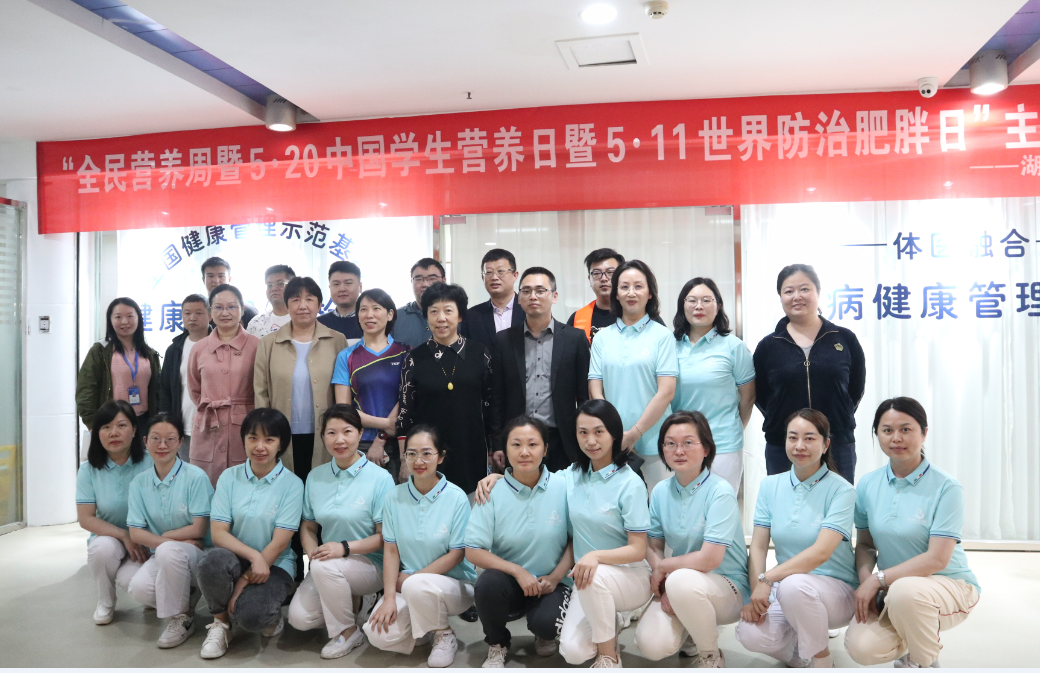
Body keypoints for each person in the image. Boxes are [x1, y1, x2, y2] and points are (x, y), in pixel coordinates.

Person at [844, 398, 980, 669]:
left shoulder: (946, 487)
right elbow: (866, 544)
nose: (896, 438)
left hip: (949, 585)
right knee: (861, 648)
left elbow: (937, 559)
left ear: (924, 433)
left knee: (905, 592)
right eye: (887, 430)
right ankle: (915, 634)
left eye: (906, 429)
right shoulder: (868, 484)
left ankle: (924, 662)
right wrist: (866, 579)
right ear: (877, 434)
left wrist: (879, 579)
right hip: (896, 591)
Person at [735, 409, 858, 669]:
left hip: (836, 592)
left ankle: (822, 659)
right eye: (793, 437)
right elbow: (758, 546)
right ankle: (802, 652)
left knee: (794, 586)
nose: (800, 446)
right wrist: (757, 592)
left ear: (826, 445)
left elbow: (821, 552)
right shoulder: (770, 486)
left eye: (809, 438)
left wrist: (768, 578)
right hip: (787, 588)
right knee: (749, 633)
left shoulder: (842, 491)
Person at [633, 411, 750, 668]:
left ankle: (710, 656)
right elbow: (653, 545)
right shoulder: (661, 491)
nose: (679, 451)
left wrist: (665, 569)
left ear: (706, 448)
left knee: (682, 583)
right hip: (682, 582)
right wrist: (663, 579)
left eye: (688, 442)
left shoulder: (720, 492)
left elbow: (710, 560)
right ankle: (693, 627)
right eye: (670, 443)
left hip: (728, 586)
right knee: (652, 644)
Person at [363, 425, 478, 668]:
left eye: (427, 453)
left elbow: (457, 555)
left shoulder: (456, 498)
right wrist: (389, 598)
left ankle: (444, 634)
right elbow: (391, 550)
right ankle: (423, 625)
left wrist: (413, 579)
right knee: (378, 635)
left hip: (455, 586)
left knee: (416, 586)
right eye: (412, 454)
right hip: (408, 584)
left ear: (441, 457)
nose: (419, 461)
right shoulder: (394, 497)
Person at [465, 416, 574, 667]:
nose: (524, 452)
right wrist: (517, 571)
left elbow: (574, 540)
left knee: (547, 624)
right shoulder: (490, 492)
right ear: (505, 451)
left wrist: (556, 577)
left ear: (545, 449)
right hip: (509, 582)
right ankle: (497, 643)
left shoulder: (563, 487)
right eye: (516, 445)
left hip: (552, 582)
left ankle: (543, 633)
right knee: (487, 584)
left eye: (533, 444)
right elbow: (473, 551)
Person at [196, 408, 304, 660]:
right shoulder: (229, 477)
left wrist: (243, 581)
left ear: (281, 444)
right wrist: (252, 558)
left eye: (269, 439)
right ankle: (221, 624)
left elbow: (280, 543)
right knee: (210, 561)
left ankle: (270, 614)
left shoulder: (292, 484)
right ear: (243, 440)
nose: (260, 446)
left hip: (275, 564)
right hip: (235, 557)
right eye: (253, 438)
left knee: (252, 617)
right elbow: (219, 533)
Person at [287, 404, 394, 659]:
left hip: (371, 564)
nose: (339, 440)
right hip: (329, 564)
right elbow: (308, 526)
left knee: (326, 568)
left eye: (347, 431)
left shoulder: (380, 479)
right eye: (331, 433)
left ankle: (348, 631)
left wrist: (344, 548)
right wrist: (313, 553)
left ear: (360, 433)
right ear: (323, 436)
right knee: (299, 618)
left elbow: (384, 538)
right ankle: (354, 601)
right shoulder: (315, 477)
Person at [557, 399, 651, 668]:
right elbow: (536, 480)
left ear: (614, 434)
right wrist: (499, 478)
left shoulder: (630, 483)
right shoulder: (573, 474)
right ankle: (614, 619)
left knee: (594, 574)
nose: (591, 441)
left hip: (630, 576)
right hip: (587, 579)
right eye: (583, 432)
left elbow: (638, 549)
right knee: (573, 652)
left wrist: (595, 556)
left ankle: (609, 657)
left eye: (599, 431)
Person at [753, 264, 865, 484]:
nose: (797, 296)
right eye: (788, 291)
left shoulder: (844, 338)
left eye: (804, 289)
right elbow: (761, 395)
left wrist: (836, 418)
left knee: (837, 501)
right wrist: (784, 422)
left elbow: (855, 389)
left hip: (836, 442)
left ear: (818, 292)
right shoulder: (768, 346)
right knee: (785, 503)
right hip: (784, 445)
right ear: (781, 297)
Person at [126, 413, 214, 649]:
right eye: (156, 438)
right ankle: (187, 601)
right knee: (139, 589)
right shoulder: (139, 483)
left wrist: (164, 539)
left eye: (170, 439)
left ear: (180, 442)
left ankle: (181, 617)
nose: (162, 445)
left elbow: (199, 528)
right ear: (145, 442)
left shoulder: (196, 477)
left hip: (200, 553)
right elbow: (135, 533)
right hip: (165, 552)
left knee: (167, 552)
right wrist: (171, 541)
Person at [589, 259, 677, 493]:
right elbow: (596, 389)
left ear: (650, 293)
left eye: (638, 286)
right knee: (616, 506)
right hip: (612, 442)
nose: (631, 293)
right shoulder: (602, 338)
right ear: (616, 294)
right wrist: (615, 434)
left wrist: (634, 433)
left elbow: (666, 392)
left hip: (656, 441)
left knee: (659, 506)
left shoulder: (662, 336)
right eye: (624, 287)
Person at [490, 267, 590, 473]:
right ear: (519, 298)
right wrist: (498, 443)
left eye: (540, 290)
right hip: (518, 439)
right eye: (526, 291)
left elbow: (584, 396)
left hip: (561, 438)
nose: (533, 296)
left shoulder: (575, 339)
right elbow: (497, 397)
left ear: (554, 296)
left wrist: (584, 436)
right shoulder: (504, 340)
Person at [396, 282, 493, 495]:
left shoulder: (480, 354)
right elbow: (405, 414)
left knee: (471, 505)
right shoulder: (414, 358)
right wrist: (405, 458)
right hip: (426, 454)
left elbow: (490, 406)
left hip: (470, 449)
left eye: (448, 311)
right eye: (434, 311)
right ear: (426, 316)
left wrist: (494, 449)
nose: (441, 318)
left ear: (460, 316)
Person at [254, 276, 347, 479]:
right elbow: (261, 391)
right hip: (280, 431)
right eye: (295, 300)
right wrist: (264, 431)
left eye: (309, 299)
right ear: (287, 306)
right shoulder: (268, 343)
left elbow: (343, 389)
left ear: (319, 305)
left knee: (321, 485)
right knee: (285, 486)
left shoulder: (337, 340)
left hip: (325, 431)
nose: (303, 306)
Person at [671, 278, 755, 493]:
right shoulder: (669, 346)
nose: (699, 306)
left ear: (718, 306)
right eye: (692, 300)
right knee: (684, 507)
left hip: (723, 444)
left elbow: (748, 398)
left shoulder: (734, 347)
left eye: (706, 300)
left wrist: (734, 428)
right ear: (682, 305)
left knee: (721, 504)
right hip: (679, 445)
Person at [75, 400, 154, 625]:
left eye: (121, 425)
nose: (114, 433)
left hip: (147, 542)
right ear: (97, 433)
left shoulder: (151, 462)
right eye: (106, 427)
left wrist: (142, 538)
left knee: (132, 582)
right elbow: (86, 518)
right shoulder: (88, 470)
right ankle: (105, 601)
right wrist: (124, 535)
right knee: (101, 549)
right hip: (112, 538)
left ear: (135, 430)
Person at [332, 288, 409, 482]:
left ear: (390, 314)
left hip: (401, 444)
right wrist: (386, 425)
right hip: (360, 443)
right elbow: (344, 410)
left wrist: (382, 438)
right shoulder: (347, 356)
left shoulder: (405, 352)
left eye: (376, 308)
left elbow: (408, 399)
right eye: (363, 309)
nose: (369, 315)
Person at [187, 284, 260, 487]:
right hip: (208, 428)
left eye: (231, 307)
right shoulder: (199, 348)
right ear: (211, 313)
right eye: (218, 307)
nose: (225, 313)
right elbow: (195, 389)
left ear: (242, 310)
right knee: (205, 489)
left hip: (245, 427)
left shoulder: (257, 346)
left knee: (243, 488)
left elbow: (263, 389)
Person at [76, 297, 162, 434]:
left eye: (130, 316)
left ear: (138, 318)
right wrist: (92, 423)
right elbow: (86, 389)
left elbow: (158, 390)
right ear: (110, 320)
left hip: (145, 421)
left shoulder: (149, 353)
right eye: (118, 317)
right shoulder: (100, 351)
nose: (124, 321)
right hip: (112, 422)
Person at [158, 294, 211, 462]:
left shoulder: (219, 345)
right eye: (187, 313)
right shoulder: (174, 349)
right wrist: (167, 421)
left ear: (210, 316)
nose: (192, 318)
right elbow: (165, 389)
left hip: (214, 426)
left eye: (198, 313)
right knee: (188, 472)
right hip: (184, 425)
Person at [460, 248, 526, 352]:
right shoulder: (471, 316)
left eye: (500, 271)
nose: (494, 277)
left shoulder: (529, 311)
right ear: (483, 277)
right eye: (489, 272)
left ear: (515, 275)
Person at [567, 248, 625, 343]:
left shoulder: (639, 314)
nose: (603, 278)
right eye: (597, 273)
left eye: (610, 272)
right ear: (589, 279)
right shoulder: (577, 318)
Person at [392, 258, 444, 348]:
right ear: (411, 282)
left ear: (444, 281)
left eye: (432, 279)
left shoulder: (458, 317)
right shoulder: (395, 318)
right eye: (419, 279)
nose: (425, 284)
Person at [201, 257, 257, 328]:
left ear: (229, 279)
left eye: (221, 276)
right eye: (210, 276)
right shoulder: (198, 310)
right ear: (203, 280)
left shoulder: (248, 311)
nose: (216, 280)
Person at [318, 260, 364, 345]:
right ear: (330, 287)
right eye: (336, 284)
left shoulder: (370, 320)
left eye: (348, 283)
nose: (342, 289)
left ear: (360, 287)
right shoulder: (318, 324)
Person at [246, 265, 295, 338]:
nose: (274, 288)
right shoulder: (256, 323)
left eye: (280, 284)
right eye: (269, 285)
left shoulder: (306, 318)